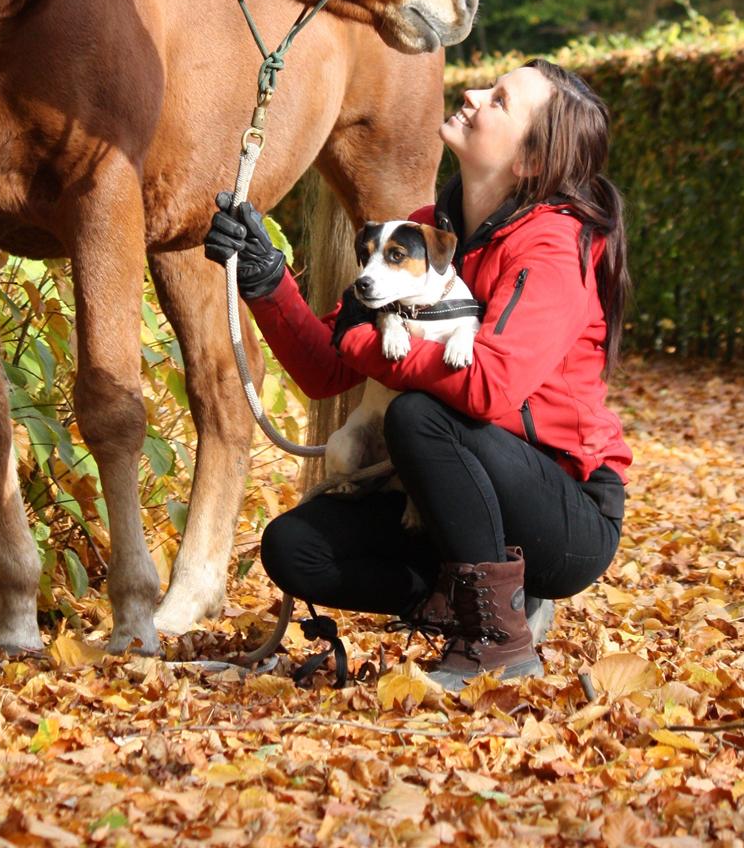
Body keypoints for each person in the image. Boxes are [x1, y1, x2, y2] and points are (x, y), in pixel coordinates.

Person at [204, 59, 632, 690]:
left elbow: (489, 386)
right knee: (294, 548)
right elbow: (328, 367)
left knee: (419, 412)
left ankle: (499, 640)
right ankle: (469, 599)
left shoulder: (553, 245)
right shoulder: (429, 228)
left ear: (529, 162)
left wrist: (364, 340)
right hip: (445, 496)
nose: (473, 93)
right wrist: (267, 281)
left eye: (499, 100)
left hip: (566, 511)